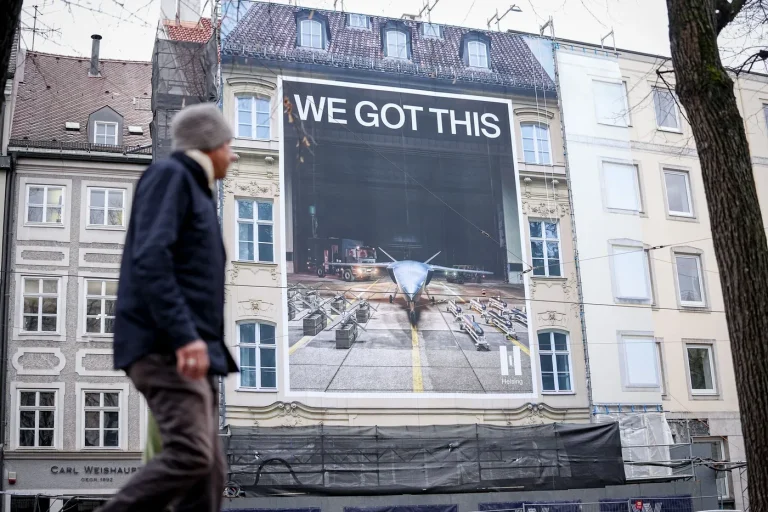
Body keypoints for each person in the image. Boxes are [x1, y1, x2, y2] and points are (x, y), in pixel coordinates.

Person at [100, 103, 239, 512]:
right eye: (228, 144)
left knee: (208, 478)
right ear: (210, 144)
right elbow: (151, 258)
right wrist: (184, 338)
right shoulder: (171, 175)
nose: (233, 155)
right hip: (168, 348)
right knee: (191, 454)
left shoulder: (195, 190)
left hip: (192, 351)